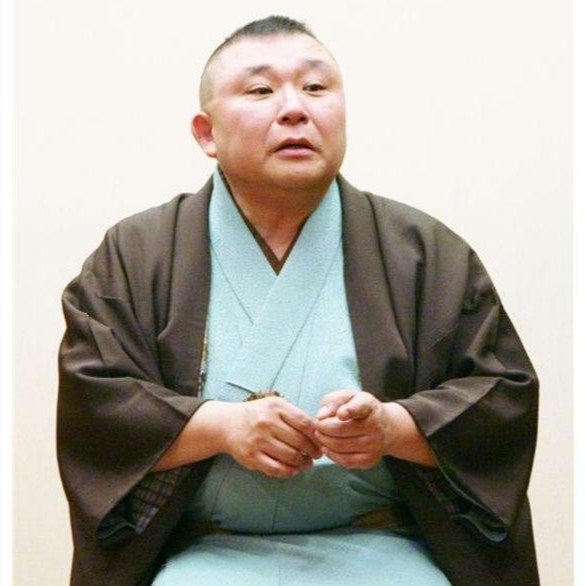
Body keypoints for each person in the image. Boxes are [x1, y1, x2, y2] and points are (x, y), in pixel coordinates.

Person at [57, 15, 540, 586]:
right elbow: (95, 409)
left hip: (386, 546)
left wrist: (391, 427)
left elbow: (500, 399)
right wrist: (222, 427)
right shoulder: (136, 255)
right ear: (207, 133)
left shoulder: (425, 252)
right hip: (201, 553)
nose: (294, 109)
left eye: (315, 87)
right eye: (261, 90)